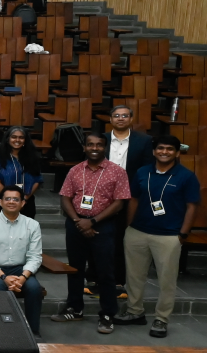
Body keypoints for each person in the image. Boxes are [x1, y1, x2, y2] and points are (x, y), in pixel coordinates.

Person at [117, 135, 200, 338]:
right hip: (138, 232)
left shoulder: (186, 176)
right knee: (134, 276)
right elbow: (134, 199)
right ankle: (135, 311)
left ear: (177, 153)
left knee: (166, 280)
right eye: (161, 148)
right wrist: (129, 227)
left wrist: (183, 234)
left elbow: (192, 206)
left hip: (169, 236)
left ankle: (161, 319)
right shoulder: (142, 172)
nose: (164, 152)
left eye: (170, 149)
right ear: (154, 151)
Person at [51, 132, 129, 332]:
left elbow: (119, 202)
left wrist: (92, 221)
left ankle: (107, 314)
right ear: (84, 147)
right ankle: (75, 308)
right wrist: (78, 221)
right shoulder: (75, 170)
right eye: (90, 144)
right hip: (76, 223)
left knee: (105, 271)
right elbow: (65, 197)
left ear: (105, 147)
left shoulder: (117, 171)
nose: (95, 148)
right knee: (75, 268)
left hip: (103, 225)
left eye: (99, 145)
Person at [101, 104, 156, 296]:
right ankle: (96, 277)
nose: (121, 118)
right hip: (103, 196)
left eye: (125, 116)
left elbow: (147, 169)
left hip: (130, 196)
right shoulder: (101, 139)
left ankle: (119, 280)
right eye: (116, 115)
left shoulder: (144, 141)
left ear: (131, 119)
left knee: (122, 238)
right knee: (100, 237)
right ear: (110, 119)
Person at [0, 187, 44, 336]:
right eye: (7, 199)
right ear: (0, 202)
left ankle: (32, 333)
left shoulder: (32, 225)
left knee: (34, 288)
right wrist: (3, 276)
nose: (11, 202)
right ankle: (3, 332)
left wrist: (23, 277)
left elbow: (35, 256)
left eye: (16, 199)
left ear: (22, 203)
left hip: (21, 269)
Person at [0, 126, 44, 217]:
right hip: (1, 200)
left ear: (25, 140)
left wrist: (23, 199)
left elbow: (37, 180)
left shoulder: (32, 158)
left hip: (26, 201)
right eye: (14, 137)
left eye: (21, 137)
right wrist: (11, 199)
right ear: (8, 139)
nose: (17, 140)